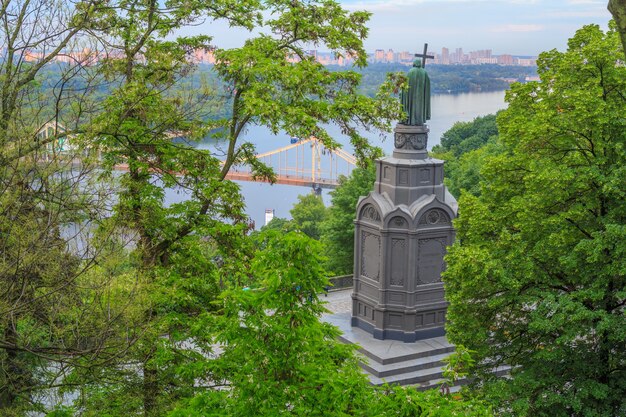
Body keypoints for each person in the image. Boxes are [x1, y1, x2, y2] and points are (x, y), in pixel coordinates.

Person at [400, 59, 431, 125]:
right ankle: (419, 121)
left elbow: (406, 84)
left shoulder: (410, 71)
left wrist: (402, 90)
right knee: (419, 106)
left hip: (411, 95)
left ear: (414, 63)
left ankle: (411, 121)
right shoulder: (424, 72)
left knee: (411, 105)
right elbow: (427, 84)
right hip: (421, 95)